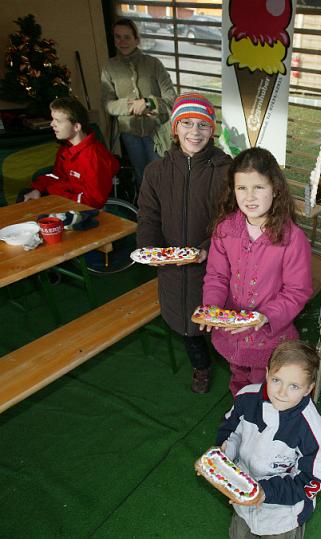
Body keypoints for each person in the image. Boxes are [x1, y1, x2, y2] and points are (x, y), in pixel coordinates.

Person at [136, 93, 232, 393]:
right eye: (186, 123)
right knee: (187, 327)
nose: (195, 131)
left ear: (212, 129)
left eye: (202, 124)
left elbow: (231, 219)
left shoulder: (227, 170)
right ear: (174, 129)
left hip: (217, 269)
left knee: (222, 325)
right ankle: (201, 367)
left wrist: (206, 247)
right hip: (173, 272)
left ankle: (237, 368)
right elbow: (148, 217)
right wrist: (151, 249)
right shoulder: (156, 172)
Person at [200, 147, 314, 395]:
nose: (249, 197)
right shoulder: (224, 229)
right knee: (239, 382)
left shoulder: (293, 239)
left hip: (269, 338)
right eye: (242, 188)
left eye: (258, 188)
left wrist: (263, 316)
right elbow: (217, 276)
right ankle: (242, 416)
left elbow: (297, 292)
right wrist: (212, 307)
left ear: (275, 188)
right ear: (233, 190)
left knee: (266, 390)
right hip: (232, 332)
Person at [216, 340, 321, 538]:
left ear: (308, 388)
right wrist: (227, 450)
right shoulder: (246, 398)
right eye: (276, 380)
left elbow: (311, 480)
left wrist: (265, 492)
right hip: (243, 499)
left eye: (294, 386)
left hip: (282, 515)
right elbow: (230, 429)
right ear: (267, 373)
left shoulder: (313, 432)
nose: (281, 392)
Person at [101, 17, 176, 187]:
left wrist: (149, 103)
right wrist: (130, 106)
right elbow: (107, 103)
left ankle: (166, 211)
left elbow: (172, 98)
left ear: (137, 39)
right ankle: (146, 211)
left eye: (127, 37)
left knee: (160, 178)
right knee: (142, 177)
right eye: (117, 37)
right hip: (130, 134)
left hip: (157, 133)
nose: (122, 42)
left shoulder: (153, 64)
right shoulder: (109, 68)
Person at [19, 96, 118, 209]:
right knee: (25, 197)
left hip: (83, 210)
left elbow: (94, 201)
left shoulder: (94, 157)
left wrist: (57, 195)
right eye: (52, 119)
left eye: (58, 121)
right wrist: (38, 189)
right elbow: (57, 176)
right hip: (66, 202)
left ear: (76, 127)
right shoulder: (66, 148)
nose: (52, 124)